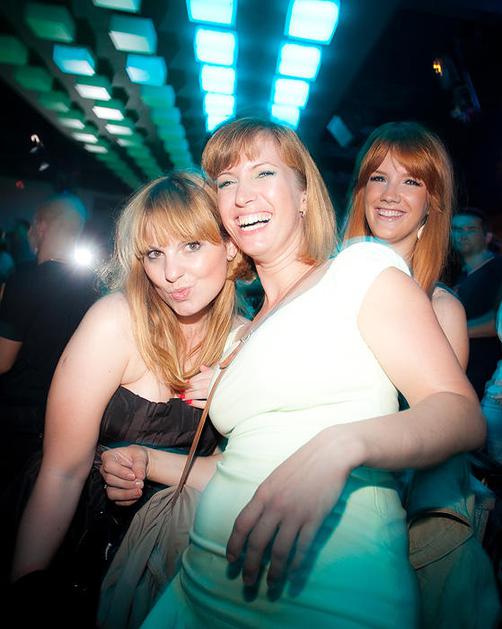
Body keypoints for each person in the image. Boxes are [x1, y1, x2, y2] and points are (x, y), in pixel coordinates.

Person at [102, 118, 485, 628]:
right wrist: (145, 459)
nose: (243, 196)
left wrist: (341, 447)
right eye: (227, 182)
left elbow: (459, 413)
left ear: (304, 194)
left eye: (263, 173)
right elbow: (241, 467)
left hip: (325, 596)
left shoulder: (359, 271)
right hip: (196, 588)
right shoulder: (242, 332)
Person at [9, 172, 252, 627]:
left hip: (176, 555)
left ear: (231, 248)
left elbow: (246, 474)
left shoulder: (248, 343)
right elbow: (62, 472)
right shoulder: (115, 322)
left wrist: (150, 461)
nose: (170, 273)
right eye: (155, 253)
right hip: (80, 538)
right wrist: (25, 586)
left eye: (191, 246)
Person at [343, 120, 500, 627]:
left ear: (432, 203)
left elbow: (442, 430)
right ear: (361, 190)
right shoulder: (327, 284)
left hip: (389, 515)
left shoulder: (441, 308)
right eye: (378, 177)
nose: (390, 194)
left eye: (411, 181)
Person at [0, 193, 99, 485]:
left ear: (40, 226)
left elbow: (2, 361)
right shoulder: (93, 288)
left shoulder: (23, 280)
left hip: (15, 419)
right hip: (64, 421)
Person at [451, 208, 502, 400]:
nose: (462, 235)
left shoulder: (497, 268)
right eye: (457, 229)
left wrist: (446, 329)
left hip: (489, 378)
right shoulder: (459, 275)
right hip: (463, 373)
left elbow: (496, 323)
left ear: (487, 236)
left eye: (470, 229)